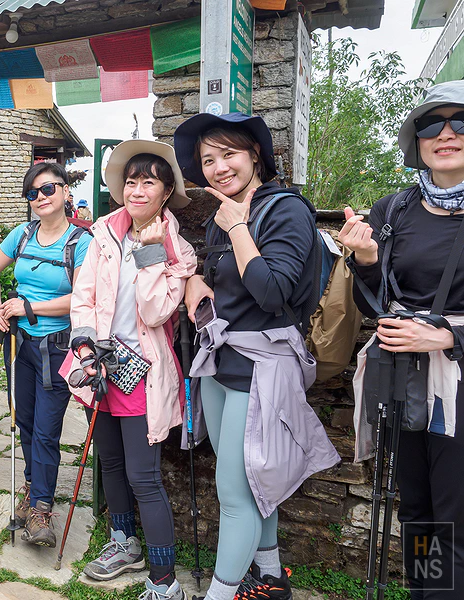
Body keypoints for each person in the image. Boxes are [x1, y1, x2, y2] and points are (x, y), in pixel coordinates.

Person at [172, 113, 339, 600]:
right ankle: (270, 578)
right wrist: (197, 280)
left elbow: (273, 293)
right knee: (250, 481)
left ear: (255, 155)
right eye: (208, 160)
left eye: (229, 154)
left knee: (235, 494)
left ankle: (218, 595)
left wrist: (239, 226)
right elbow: (225, 278)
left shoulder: (283, 211)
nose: (219, 167)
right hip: (222, 361)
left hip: (261, 368)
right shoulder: (225, 216)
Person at [340, 80, 464, 599]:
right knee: (417, 509)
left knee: (455, 514)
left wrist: (447, 338)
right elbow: (378, 297)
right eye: (431, 125)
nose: (446, 134)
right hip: (404, 381)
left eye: (460, 122)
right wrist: (365, 260)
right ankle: (425, 592)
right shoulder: (395, 209)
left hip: (456, 384)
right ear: (416, 141)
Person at [64, 140, 196, 599]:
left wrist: (151, 252)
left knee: (144, 476)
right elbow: (84, 296)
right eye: (132, 181)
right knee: (112, 462)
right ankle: (124, 543)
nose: (137, 189)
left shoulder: (177, 250)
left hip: (143, 373)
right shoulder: (102, 234)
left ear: (165, 192)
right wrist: (82, 344)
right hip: (98, 364)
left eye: (149, 181)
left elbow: (156, 310)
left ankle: (165, 583)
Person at [0, 162, 92, 547]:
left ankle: (42, 508)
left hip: (58, 347)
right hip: (21, 344)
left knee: (47, 429)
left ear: (65, 192)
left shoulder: (82, 242)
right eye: (33, 193)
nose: (41, 198)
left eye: (48, 189)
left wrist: (27, 307)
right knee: (25, 420)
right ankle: (32, 487)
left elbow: (80, 299)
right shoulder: (22, 234)